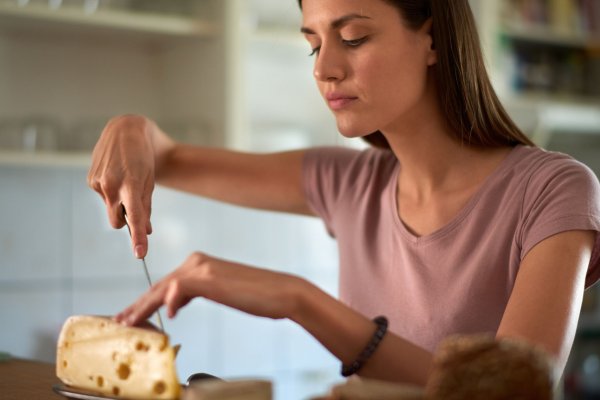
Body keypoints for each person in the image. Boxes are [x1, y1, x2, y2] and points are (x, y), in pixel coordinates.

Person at [87, 0, 600, 387]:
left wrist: (299, 300)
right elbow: (168, 157)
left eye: (352, 38)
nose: (323, 68)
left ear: (433, 40)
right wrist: (130, 127)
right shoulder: (350, 183)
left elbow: (511, 392)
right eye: (313, 43)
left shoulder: (552, 190)